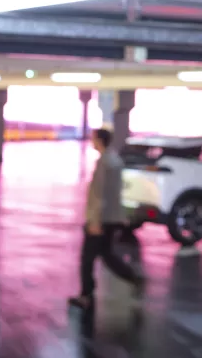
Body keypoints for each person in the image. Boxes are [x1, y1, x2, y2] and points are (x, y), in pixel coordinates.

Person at [68, 127, 144, 309]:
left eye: (93, 138)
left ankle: (86, 296)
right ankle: (133, 278)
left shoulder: (104, 163)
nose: (91, 141)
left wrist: (95, 222)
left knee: (87, 259)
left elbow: (101, 194)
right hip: (111, 218)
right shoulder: (115, 159)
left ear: (100, 141)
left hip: (100, 220)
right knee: (107, 255)